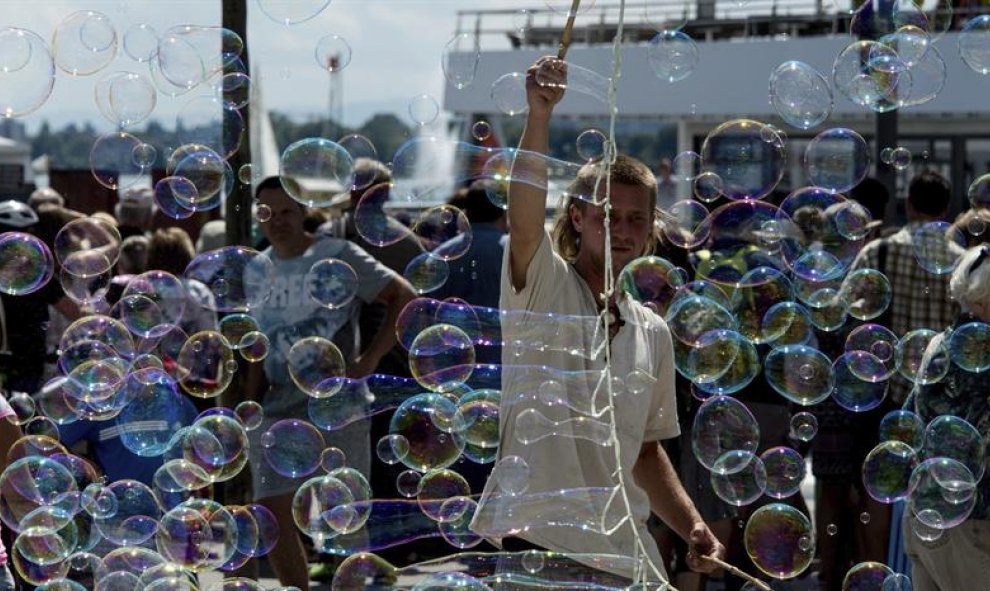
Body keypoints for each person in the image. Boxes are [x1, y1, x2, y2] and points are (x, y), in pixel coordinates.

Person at [471, 56, 724, 586]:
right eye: (607, 215)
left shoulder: (651, 331)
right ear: (578, 218)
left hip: (622, 547)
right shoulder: (544, 284)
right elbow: (522, 219)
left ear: (652, 229)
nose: (621, 229)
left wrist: (691, 524)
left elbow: (644, 450)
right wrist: (538, 115)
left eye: (636, 218)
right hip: (538, 540)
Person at [245, 177, 416, 589]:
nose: (277, 221)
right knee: (271, 515)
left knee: (345, 518)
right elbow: (256, 343)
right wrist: (250, 404)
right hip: (277, 408)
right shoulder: (256, 268)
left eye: (286, 211)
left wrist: (369, 360)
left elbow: (404, 295)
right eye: (267, 212)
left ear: (304, 211)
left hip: (338, 409)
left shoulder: (338, 255)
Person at [904, 244, 990, 590]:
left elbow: (914, 419)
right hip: (972, 522)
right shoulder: (980, 355)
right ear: (984, 300)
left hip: (929, 513)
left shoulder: (940, 343)